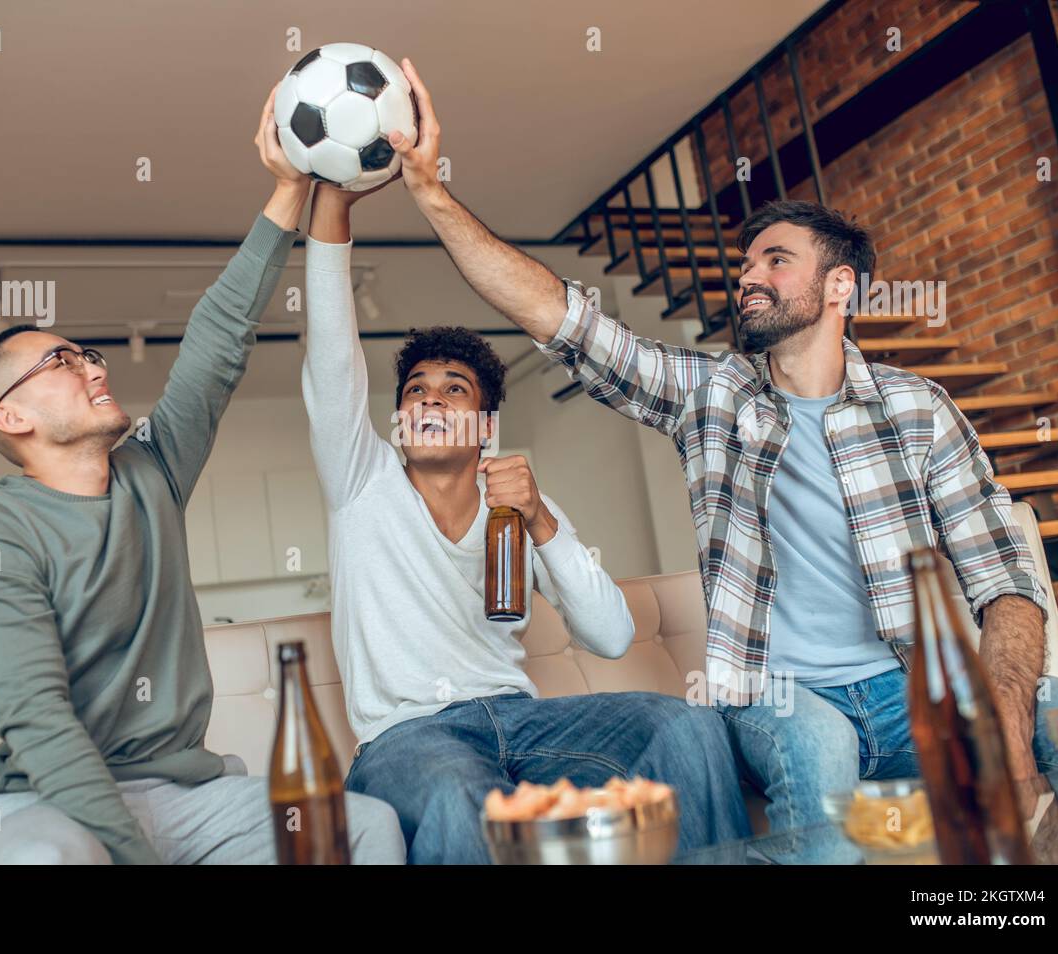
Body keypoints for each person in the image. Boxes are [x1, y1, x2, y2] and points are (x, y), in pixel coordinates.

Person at [383, 57, 1058, 862]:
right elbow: (561, 319)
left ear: (840, 289)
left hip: (913, 693)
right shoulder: (711, 396)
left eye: (775, 261)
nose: (747, 276)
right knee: (819, 755)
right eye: (746, 261)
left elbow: (1004, 579)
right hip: (779, 695)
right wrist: (431, 193)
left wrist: (999, 719)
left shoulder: (918, 409)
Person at [0, 88, 404, 865]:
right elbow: (40, 723)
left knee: (368, 826)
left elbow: (217, 345)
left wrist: (289, 187)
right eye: (61, 361)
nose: (91, 366)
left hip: (189, 798)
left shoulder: (151, 472)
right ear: (9, 418)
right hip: (51, 803)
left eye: (88, 353)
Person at [298, 169, 751, 864]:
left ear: (484, 426)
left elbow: (610, 635)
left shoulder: (513, 503)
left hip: (526, 720)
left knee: (685, 726)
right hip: (410, 740)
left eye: (454, 390)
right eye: (416, 389)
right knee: (458, 802)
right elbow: (331, 355)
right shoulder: (362, 479)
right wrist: (332, 202)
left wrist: (542, 522)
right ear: (396, 419)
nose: (430, 399)